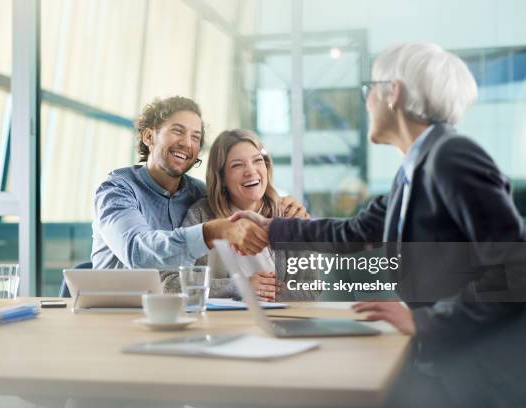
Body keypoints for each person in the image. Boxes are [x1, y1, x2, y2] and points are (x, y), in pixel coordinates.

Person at [232, 43, 526, 407]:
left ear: (393, 93)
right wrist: (270, 228)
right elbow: (352, 232)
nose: (366, 101)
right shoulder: (413, 169)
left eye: (369, 89)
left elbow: (516, 268)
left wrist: (427, 321)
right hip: (448, 362)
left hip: (482, 374)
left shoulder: (452, 156)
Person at [91, 96, 304, 273]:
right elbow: (137, 253)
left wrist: (284, 204)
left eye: (196, 136)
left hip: (178, 313)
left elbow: (244, 197)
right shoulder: (117, 190)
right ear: (149, 136)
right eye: (177, 131)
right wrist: (211, 232)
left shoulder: (199, 195)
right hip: (115, 311)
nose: (187, 143)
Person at [167, 129, 311, 300]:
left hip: (276, 322)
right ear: (221, 178)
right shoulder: (200, 215)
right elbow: (172, 284)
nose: (251, 171)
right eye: (237, 165)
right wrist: (240, 287)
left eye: (257, 161)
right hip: (222, 324)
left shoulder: (288, 214)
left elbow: (310, 291)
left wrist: (269, 292)